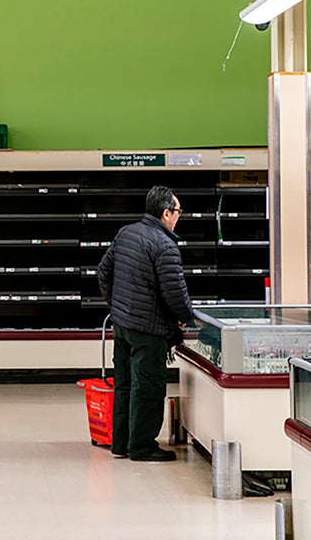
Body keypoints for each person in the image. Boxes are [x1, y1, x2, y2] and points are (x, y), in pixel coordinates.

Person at [97, 185, 194, 462]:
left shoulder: (126, 233)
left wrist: (116, 305)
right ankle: (142, 447)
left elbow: (103, 272)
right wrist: (186, 317)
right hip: (148, 331)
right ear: (166, 213)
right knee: (148, 387)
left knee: (125, 385)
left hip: (123, 326)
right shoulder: (165, 245)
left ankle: (122, 444)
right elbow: (175, 292)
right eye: (178, 211)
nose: (179, 216)